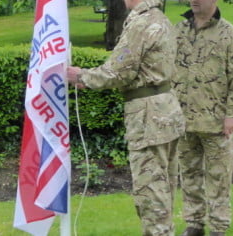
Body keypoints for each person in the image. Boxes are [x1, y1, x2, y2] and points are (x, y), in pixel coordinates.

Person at [66, 0, 185, 234]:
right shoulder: (160, 19)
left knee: (151, 193)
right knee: (164, 188)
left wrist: (81, 76)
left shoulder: (141, 23)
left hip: (149, 117)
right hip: (165, 110)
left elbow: (119, 71)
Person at [172, 0, 233, 235]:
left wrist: (232, 113)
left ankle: (218, 227)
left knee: (219, 178)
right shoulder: (179, 31)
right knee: (188, 175)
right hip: (183, 121)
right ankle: (194, 224)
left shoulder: (230, 35)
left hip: (216, 123)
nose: (194, 1)